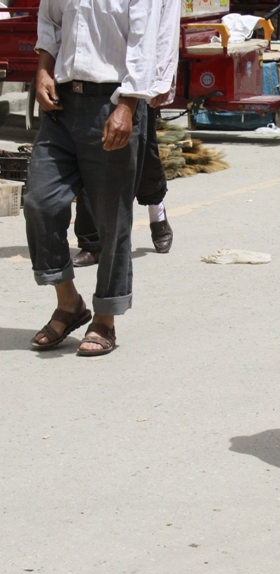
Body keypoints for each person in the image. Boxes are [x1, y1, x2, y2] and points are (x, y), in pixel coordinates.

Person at [24, 0, 163, 356]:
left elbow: (144, 47)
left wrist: (127, 107)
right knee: (40, 202)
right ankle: (69, 304)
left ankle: (105, 318)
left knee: (110, 219)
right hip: (62, 104)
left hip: (113, 102)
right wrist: (42, 70)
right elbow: (49, 23)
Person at [73, 0, 181, 266]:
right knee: (91, 157)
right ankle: (91, 241)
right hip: (97, 73)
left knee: (144, 152)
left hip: (138, 76)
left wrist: (162, 76)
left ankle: (156, 212)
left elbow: (166, 26)